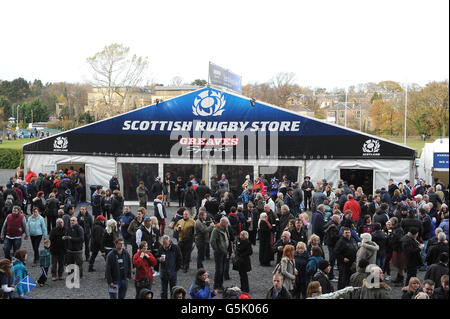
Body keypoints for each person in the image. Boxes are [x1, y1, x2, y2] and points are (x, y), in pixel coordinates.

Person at [210, 217, 232, 292]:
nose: (227, 224)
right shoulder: (216, 230)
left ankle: (220, 284)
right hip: (219, 253)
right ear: (222, 223)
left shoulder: (225, 229)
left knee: (222, 269)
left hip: (224, 252)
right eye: (226, 223)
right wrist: (218, 249)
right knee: (219, 270)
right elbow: (212, 241)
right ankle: (216, 285)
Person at [157, 235, 182, 299]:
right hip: (164, 272)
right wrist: (159, 259)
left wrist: (176, 269)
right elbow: (156, 257)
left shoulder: (175, 248)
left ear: (169, 241)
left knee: (174, 290)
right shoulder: (161, 248)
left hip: (173, 272)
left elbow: (180, 258)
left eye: (165, 243)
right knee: (163, 291)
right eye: (163, 243)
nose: (164, 245)